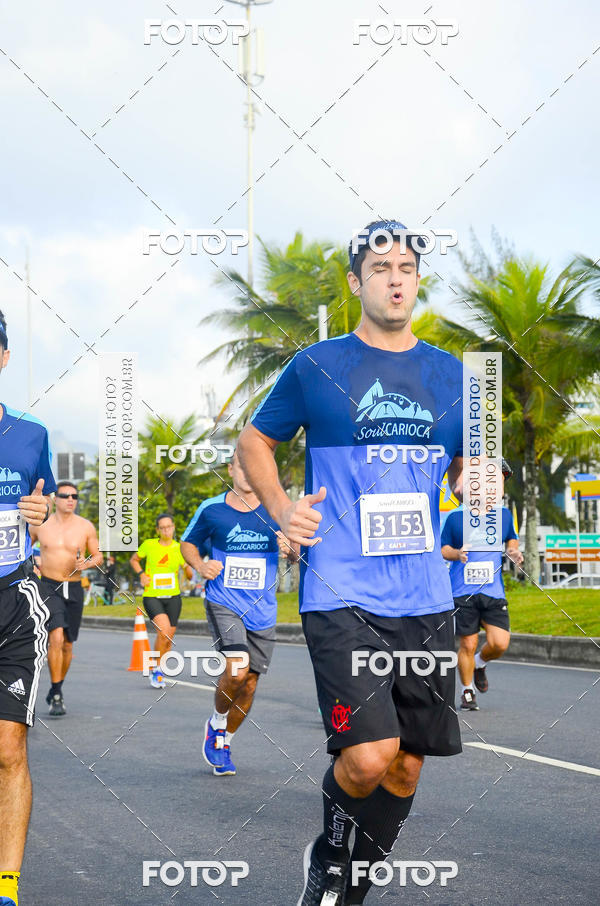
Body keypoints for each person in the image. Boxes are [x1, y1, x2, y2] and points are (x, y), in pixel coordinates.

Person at [237, 220, 465, 905]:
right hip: (341, 591)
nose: (396, 278)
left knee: (406, 768)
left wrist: (482, 481)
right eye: (381, 267)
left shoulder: (452, 376)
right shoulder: (317, 367)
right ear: (355, 281)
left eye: (407, 267)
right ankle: (329, 860)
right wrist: (281, 510)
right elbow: (254, 442)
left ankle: (348, 892)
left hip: (425, 596)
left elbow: (472, 470)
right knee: (367, 758)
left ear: (417, 280)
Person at [181, 450, 287, 777]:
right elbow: (188, 544)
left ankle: (224, 740)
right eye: (241, 466)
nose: (246, 473)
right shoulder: (211, 509)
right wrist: (200, 565)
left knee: (251, 684)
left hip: (263, 610)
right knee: (237, 670)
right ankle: (216, 723)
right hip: (224, 601)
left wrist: (292, 550)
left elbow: (298, 554)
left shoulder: (276, 509)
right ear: (231, 469)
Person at [0, 309, 57, 906]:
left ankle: (6, 887)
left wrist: (40, 520)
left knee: (8, 745)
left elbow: (43, 511)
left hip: (14, 599)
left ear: (4, 358)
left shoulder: (31, 434)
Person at [441, 460, 523, 711]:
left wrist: (513, 552)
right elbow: (443, 549)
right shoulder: (456, 518)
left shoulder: (504, 515)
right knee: (467, 643)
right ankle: (467, 691)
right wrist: (457, 554)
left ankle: (479, 663)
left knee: (500, 643)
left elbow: (511, 541)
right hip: (462, 592)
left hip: (492, 592)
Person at [30, 481, 103, 717]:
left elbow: (98, 556)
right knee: (56, 637)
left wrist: (87, 563)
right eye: (65, 495)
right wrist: (31, 565)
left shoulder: (85, 527)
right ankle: (57, 693)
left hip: (74, 587)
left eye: (75, 496)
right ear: (56, 498)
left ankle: (56, 688)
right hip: (49, 586)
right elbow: (23, 548)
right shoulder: (41, 525)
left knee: (69, 644)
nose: (71, 499)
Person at [130, 514, 192, 689]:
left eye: (169, 526)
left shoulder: (180, 548)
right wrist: (141, 574)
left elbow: (188, 572)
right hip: (152, 596)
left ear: (173, 527)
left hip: (173, 597)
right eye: (162, 527)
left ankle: (160, 668)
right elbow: (134, 560)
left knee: (168, 639)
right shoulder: (149, 545)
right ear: (158, 530)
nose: (166, 530)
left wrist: (189, 569)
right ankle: (156, 669)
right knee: (163, 631)